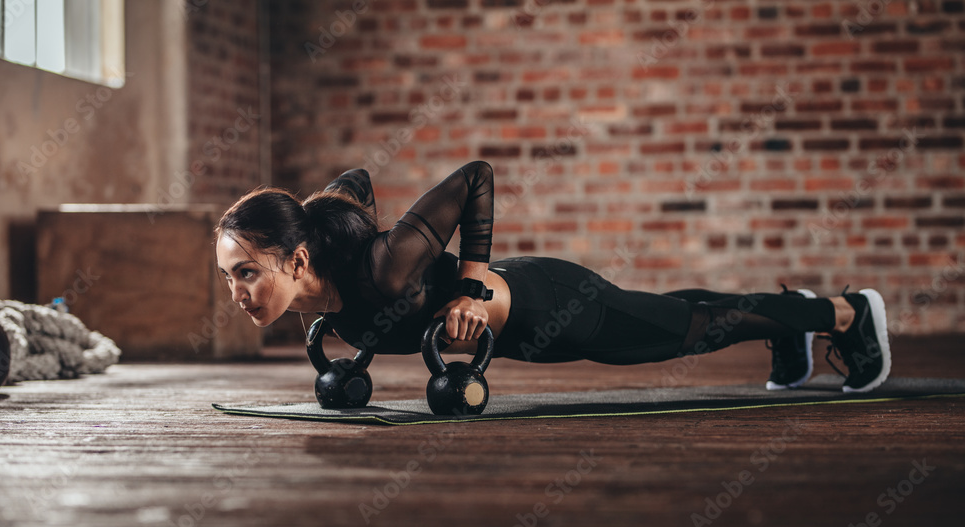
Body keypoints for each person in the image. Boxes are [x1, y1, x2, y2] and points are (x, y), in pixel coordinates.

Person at [214, 161, 891, 394]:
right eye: (227, 277)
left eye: (245, 272)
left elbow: (477, 176)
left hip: (552, 302)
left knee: (684, 329)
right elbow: (351, 184)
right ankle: (790, 315)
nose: (237, 292)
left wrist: (470, 289)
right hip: (532, 327)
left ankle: (843, 312)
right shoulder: (319, 294)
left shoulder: (383, 269)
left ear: (294, 260)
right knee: (674, 310)